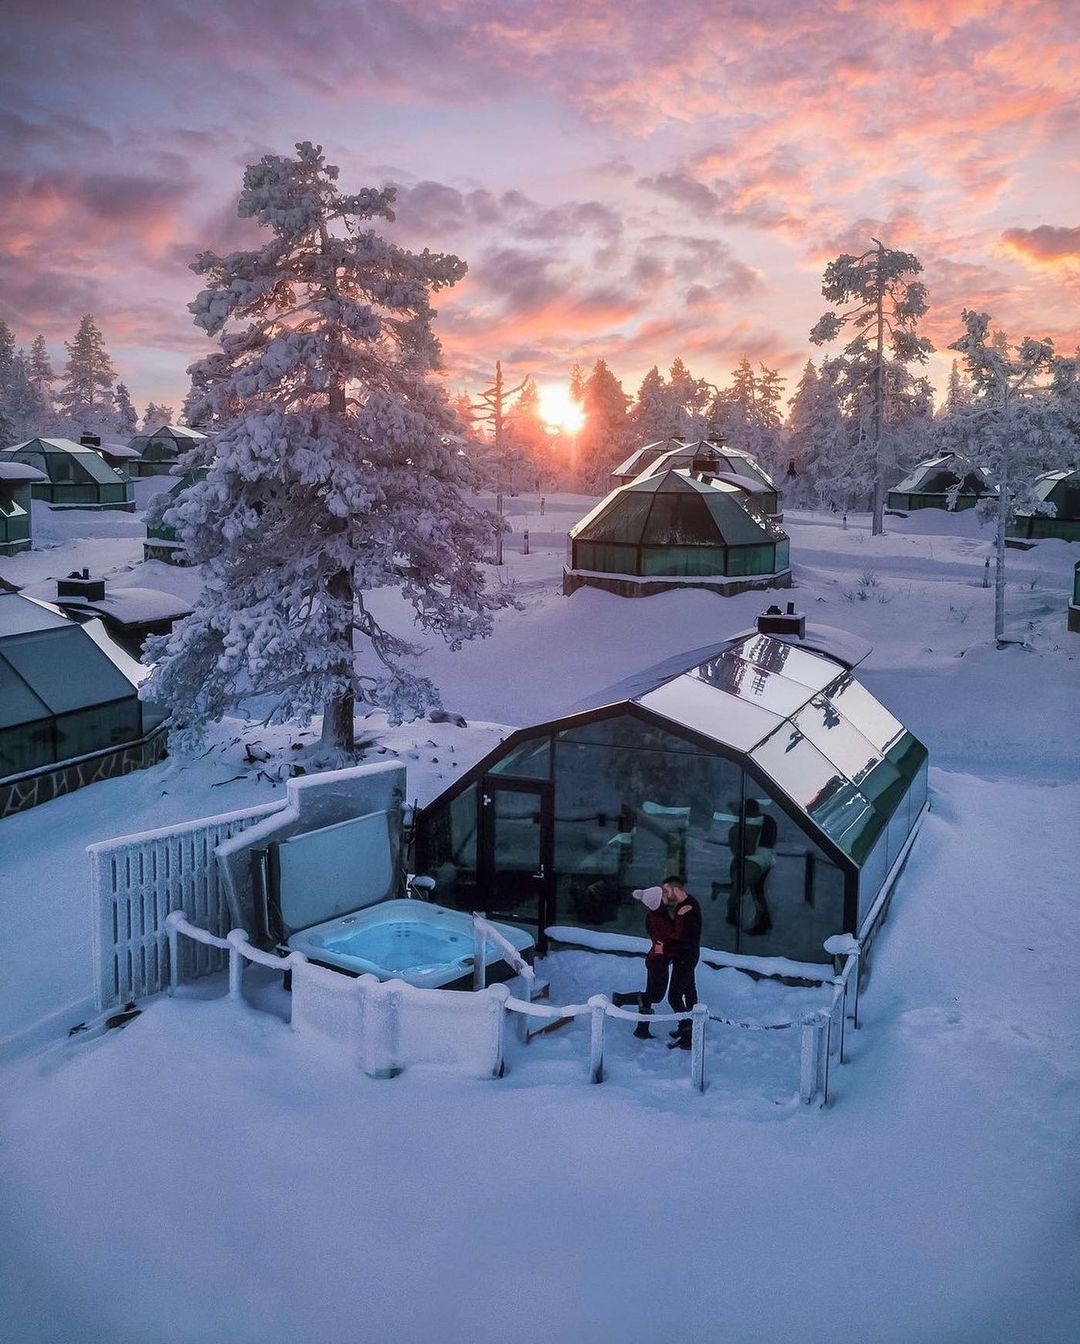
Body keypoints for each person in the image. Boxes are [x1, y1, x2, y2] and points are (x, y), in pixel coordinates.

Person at [630, 876, 702, 1049]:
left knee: (674, 995)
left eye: (666, 890)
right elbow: (672, 934)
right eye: (663, 893)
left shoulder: (686, 907)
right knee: (673, 993)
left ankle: (688, 1033)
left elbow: (681, 935)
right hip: (670, 958)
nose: (665, 894)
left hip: (684, 958)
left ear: (676, 890)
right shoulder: (665, 914)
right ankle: (689, 1029)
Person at [726, 799, 776, 935]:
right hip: (765, 860)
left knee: (748, 890)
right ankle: (763, 922)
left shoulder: (753, 823)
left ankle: (738, 917)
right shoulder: (768, 820)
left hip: (754, 862)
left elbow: (747, 847)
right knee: (757, 892)